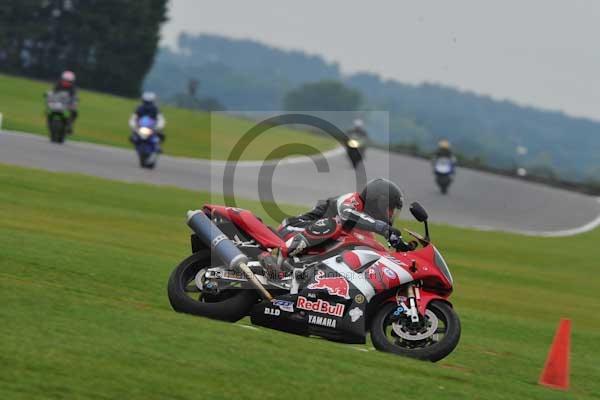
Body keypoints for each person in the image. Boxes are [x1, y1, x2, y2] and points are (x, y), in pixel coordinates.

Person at [278, 178, 414, 259]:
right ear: (379, 202)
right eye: (390, 210)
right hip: (293, 230)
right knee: (333, 224)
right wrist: (382, 228)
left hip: (309, 246)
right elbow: (347, 216)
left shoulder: (366, 228)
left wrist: (397, 253)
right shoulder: (352, 200)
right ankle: (279, 255)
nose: (390, 216)